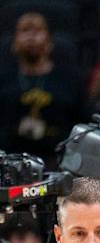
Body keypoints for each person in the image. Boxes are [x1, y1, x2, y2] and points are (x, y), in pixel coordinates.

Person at [0, 12, 82, 165]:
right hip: (9, 160)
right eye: (24, 30)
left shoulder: (70, 80)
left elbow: (82, 124)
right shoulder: (4, 80)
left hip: (58, 160)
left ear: (50, 42)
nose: (31, 36)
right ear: (14, 43)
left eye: (37, 30)